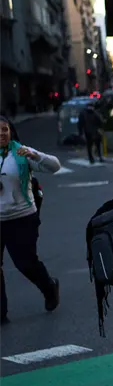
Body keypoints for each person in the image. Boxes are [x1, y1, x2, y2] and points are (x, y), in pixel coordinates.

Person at [0, 117, 61, 324]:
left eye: (4, 129)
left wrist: (35, 155)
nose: (1, 133)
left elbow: (55, 166)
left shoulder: (21, 153)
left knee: (25, 263)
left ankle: (49, 286)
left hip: (22, 217)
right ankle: (1, 311)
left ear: (11, 131)